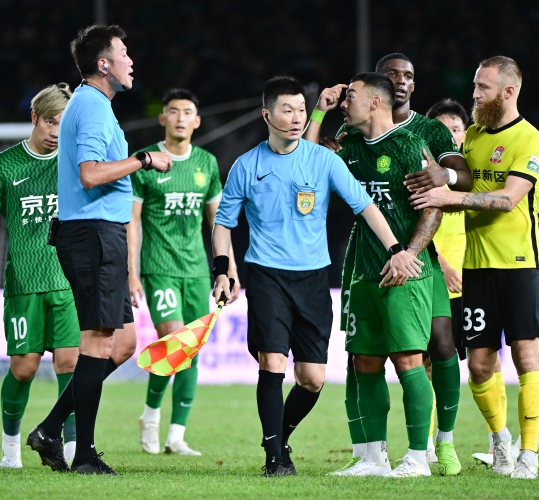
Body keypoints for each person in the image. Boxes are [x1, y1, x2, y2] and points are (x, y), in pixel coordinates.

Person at [210, 76, 421, 477]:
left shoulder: (323, 161)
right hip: (266, 275)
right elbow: (224, 223)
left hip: (312, 280)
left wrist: (397, 249)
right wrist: (222, 271)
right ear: (267, 115)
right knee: (272, 363)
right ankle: (274, 458)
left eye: (301, 111)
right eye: (287, 110)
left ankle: (280, 437)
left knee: (311, 378)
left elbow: (365, 206)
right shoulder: (246, 165)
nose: (295, 118)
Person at [305, 53, 471, 477]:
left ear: (375, 102)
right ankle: (373, 458)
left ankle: (420, 455)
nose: (345, 103)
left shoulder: (412, 143)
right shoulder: (349, 145)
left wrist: (409, 253)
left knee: (411, 359)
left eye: (351, 97)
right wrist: (321, 111)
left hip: (406, 270)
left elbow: (433, 206)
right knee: (364, 361)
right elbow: (303, 163)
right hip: (363, 268)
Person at [25, 24, 173, 475]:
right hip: (92, 233)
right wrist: (144, 159)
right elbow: (90, 174)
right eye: (124, 53)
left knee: (122, 343)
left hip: (99, 233)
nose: (131, 60)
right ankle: (85, 455)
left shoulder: (95, 105)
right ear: (104, 64)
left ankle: (51, 427)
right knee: (97, 341)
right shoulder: (90, 106)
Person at [410, 56, 539, 479]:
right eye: (474, 86)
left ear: (508, 92)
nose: (474, 95)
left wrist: (450, 197)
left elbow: (507, 199)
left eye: (483, 88)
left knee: (526, 355)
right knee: (480, 365)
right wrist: (441, 183)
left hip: (519, 263)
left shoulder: (530, 139)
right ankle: (501, 441)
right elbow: (462, 184)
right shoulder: (471, 138)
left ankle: (529, 453)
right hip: (477, 267)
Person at [0, 83, 79, 469]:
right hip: (25, 281)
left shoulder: (75, 162)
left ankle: (73, 448)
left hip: (68, 280)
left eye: (63, 125)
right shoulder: (4, 164)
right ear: (34, 118)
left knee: (70, 364)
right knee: (24, 368)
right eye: (50, 122)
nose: (55, 131)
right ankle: (10, 448)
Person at [129, 88, 241, 457]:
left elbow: (218, 222)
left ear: (197, 121)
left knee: (190, 350)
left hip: (196, 270)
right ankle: (150, 415)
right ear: (162, 118)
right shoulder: (146, 162)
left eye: (187, 112)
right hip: (158, 268)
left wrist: (229, 268)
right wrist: (132, 272)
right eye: (173, 111)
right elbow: (132, 222)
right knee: (176, 342)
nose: (180, 118)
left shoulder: (206, 163)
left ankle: (176, 436)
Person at [427, 99, 509, 466]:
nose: (449, 135)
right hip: (435, 280)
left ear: (465, 134)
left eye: (456, 129)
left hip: (475, 279)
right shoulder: (422, 174)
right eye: (441, 129)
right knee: (431, 363)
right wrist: (442, 265)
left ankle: (497, 443)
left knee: (488, 363)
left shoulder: (475, 173)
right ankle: (429, 444)